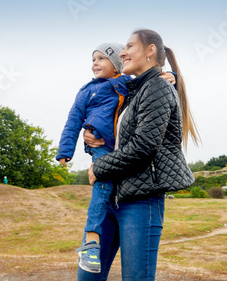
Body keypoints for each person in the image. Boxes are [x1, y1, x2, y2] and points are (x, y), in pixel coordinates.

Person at [82, 29, 200, 280]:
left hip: (140, 201)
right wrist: (93, 136)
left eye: (130, 47)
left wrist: (99, 167)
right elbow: (118, 138)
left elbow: (143, 147)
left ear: (150, 51)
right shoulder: (133, 91)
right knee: (87, 276)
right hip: (110, 199)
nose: (122, 53)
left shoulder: (157, 87)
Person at [55, 42, 176, 274]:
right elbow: (73, 121)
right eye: (93, 59)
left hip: (129, 172)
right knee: (101, 189)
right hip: (102, 148)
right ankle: (91, 241)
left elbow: (152, 83)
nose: (95, 64)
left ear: (117, 64)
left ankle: (92, 241)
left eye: (101, 58)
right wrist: (66, 150)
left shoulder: (127, 84)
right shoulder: (86, 91)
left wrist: (173, 76)